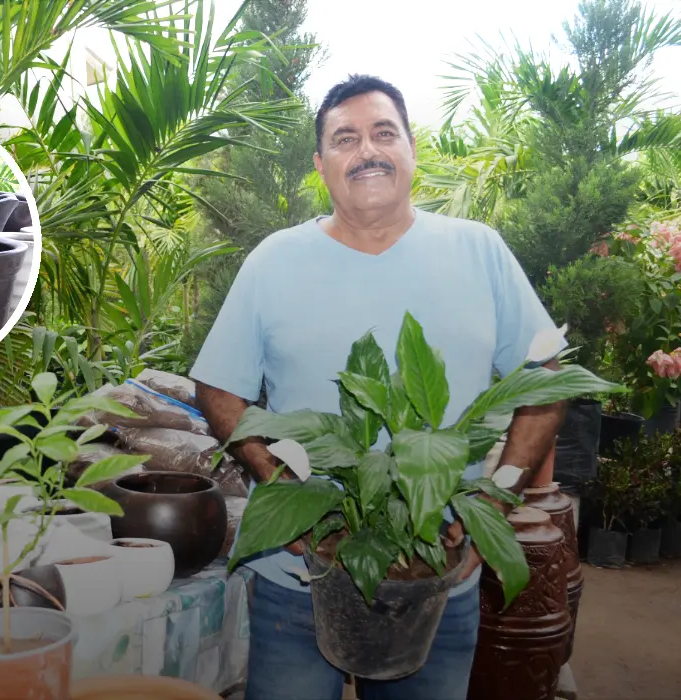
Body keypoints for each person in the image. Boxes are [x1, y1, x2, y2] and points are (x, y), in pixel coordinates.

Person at [189, 74, 567, 700]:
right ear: (321, 164)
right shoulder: (274, 260)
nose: (366, 150)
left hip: (436, 575)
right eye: (345, 139)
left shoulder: (480, 252)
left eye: (384, 133)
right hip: (299, 580)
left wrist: (496, 501)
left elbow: (545, 380)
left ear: (411, 148)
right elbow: (218, 388)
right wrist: (281, 491)